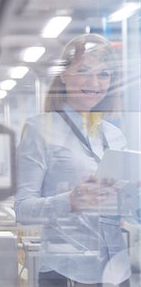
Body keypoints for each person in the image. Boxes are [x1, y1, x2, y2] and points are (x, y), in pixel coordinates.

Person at [14, 34, 131, 287]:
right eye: (84, 71)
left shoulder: (114, 136)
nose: (95, 82)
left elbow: (124, 209)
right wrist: (71, 200)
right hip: (65, 271)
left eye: (104, 74)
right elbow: (23, 210)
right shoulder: (39, 129)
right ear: (64, 75)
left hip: (116, 271)